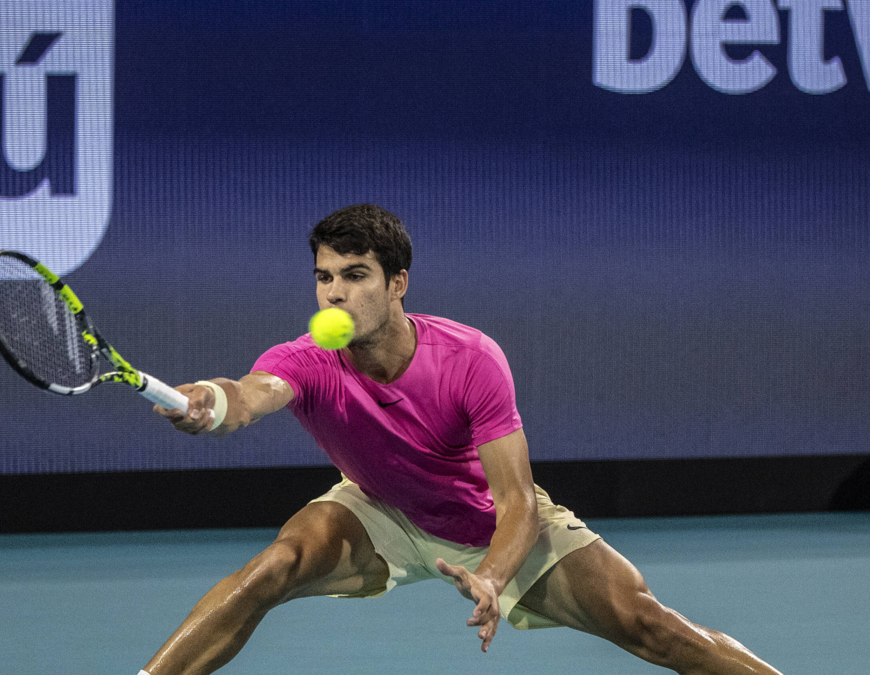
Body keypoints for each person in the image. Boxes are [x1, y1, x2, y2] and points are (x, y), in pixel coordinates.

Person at [143, 204, 783, 675]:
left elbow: (517, 502)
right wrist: (211, 402)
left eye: (356, 275)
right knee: (272, 568)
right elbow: (249, 394)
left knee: (653, 628)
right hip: (381, 509)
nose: (334, 293)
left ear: (397, 283)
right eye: (324, 276)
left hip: (488, 525)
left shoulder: (470, 358)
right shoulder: (307, 359)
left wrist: (493, 577)